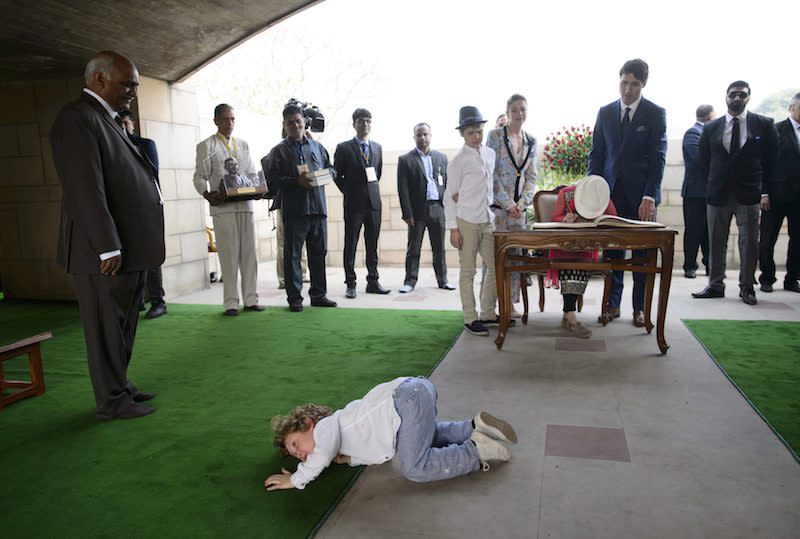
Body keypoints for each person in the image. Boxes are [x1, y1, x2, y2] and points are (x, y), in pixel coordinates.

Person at [50, 50, 163, 419]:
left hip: (128, 249)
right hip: (102, 253)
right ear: (99, 79)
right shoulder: (77, 118)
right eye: (127, 82)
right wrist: (107, 246)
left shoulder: (106, 118)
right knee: (105, 330)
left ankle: (120, 386)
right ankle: (111, 402)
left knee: (124, 324)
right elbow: (85, 189)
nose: (132, 90)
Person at [264, 376, 516, 491]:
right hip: (414, 393)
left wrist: (296, 479)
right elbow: (377, 453)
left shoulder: (326, 427)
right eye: (296, 455)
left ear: (308, 424)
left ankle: (475, 450)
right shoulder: (339, 439)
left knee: (414, 467)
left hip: (406, 399)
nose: (300, 453)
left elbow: (323, 452)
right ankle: (473, 427)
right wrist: (348, 459)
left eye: (296, 444)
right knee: (417, 442)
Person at [588, 58, 667, 327]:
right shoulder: (605, 112)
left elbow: (658, 158)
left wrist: (649, 196)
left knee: (643, 256)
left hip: (641, 197)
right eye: (624, 82)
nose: (628, 89)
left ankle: (639, 309)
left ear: (643, 84)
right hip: (610, 196)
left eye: (634, 84)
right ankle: (612, 305)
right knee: (613, 254)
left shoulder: (655, 113)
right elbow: (596, 155)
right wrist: (593, 192)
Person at [692, 81, 779, 305]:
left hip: (749, 194)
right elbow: (704, 160)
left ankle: (747, 287)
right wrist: (715, 180)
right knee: (715, 241)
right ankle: (715, 285)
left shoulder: (764, 124)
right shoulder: (712, 127)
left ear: (748, 98)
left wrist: (764, 191)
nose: (737, 98)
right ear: (726, 97)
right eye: (733, 95)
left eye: (742, 95)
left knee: (750, 242)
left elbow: (771, 160)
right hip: (718, 193)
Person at [444, 106, 519, 336]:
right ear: (462, 134)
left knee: (496, 266)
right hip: (466, 221)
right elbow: (449, 196)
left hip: (488, 220)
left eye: (479, 131)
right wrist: (453, 229)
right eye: (470, 133)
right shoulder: (458, 161)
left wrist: (508, 205)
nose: (476, 136)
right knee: (468, 272)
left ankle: (488, 312)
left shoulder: (490, 154)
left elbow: (490, 187)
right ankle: (470, 317)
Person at [193, 104, 264, 316]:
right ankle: (231, 303)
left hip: (245, 206)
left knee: (249, 254)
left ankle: (251, 299)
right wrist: (206, 194)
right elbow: (199, 176)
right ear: (215, 120)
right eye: (225, 119)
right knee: (229, 255)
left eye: (233, 119)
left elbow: (251, 173)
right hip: (223, 208)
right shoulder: (207, 146)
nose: (229, 123)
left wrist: (259, 187)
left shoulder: (243, 144)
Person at [267, 104, 338, 312]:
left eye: (298, 121)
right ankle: (295, 298)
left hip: (317, 209)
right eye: (290, 122)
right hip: (295, 211)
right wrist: (296, 181)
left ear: (304, 122)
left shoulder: (317, 147)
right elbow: (272, 180)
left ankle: (318, 295)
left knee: (319, 253)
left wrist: (320, 178)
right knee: (293, 256)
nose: (295, 125)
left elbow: (331, 169)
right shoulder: (278, 151)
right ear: (284, 125)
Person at [485, 94, 538, 318]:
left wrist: (522, 203)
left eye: (523, 109)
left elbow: (531, 177)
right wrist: (508, 204)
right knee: (495, 258)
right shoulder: (495, 136)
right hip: (498, 209)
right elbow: (490, 173)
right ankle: (489, 307)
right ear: (507, 112)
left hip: (519, 212)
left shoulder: (531, 140)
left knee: (516, 257)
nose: (519, 114)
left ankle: (510, 304)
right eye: (514, 109)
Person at [546, 176, 617, 338]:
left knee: (581, 261)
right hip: (564, 246)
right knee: (572, 262)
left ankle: (568, 315)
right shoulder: (566, 193)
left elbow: (614, 218)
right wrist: (565, 219)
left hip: (587, 247)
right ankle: (570, 316)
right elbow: (554, 218)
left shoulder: (602, 194)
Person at [334, 108, 390, 298]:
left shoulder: (377, 147)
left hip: (374, 204)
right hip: (353, 204)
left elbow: (378, 173)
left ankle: (373, 281)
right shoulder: (343, 148)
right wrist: (349, 191)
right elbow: (337, 175)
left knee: (372, 244)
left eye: (368, 121)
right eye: (361, 121)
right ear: (354, 124)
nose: (365, 124)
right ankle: (350, 283)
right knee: (351, 243)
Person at [119, 108, 168, 320]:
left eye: (125, 124)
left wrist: (129, 138)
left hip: (148, 206)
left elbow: (150, 171)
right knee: (129, 255)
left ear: (132, 124)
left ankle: (158, 301)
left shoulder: (145, 144)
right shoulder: (112, 146)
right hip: (123, 208)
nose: (122, 128)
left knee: (151, 255)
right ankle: (136, 301)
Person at [396, 123, 454, 293]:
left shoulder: (441, 157)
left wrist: (447, 208)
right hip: (417, 211)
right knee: (414, 248)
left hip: (437, 208)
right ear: (414, 137)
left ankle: (443, 280)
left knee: (439, 248)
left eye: (425, 134)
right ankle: (410, 281)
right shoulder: (405, 160)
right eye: (419, 135)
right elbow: (403, 188)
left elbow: (447, 182)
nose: (422, 138)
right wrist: (407, 213)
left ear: (430, 136)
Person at [758, 92, 800, 294]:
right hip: (775, 195)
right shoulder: (775, 130)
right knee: (767, 238)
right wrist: (763, 193)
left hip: (798, 198)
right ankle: (767, 277)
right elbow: (763, 164)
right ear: (792, 108)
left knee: (797, 239)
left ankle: (792, 278)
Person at [261, 155, 308, 290]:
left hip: (303, 203)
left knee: (301, 241)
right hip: (285, 203)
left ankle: (302, 275)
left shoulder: (302, 153)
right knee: (284, 243)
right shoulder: (277, 155)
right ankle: (284, 279)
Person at [681, 105, 715, 279]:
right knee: (694, 230)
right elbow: (699, 159)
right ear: (709, 117)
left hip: (710, 192)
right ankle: (689, 266)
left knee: (709, 232)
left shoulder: (711, 134)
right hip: (695, 192)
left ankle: (710, 264)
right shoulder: (692, 133)